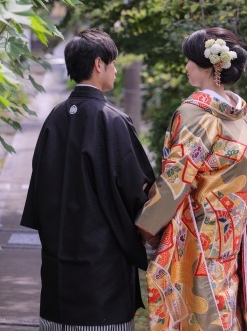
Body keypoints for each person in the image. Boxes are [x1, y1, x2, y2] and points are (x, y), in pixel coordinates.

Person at [135, 27, 247, 331]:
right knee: (223, 305)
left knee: (206, 309)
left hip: (201, 231)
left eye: (189, 61)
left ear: (211, 67)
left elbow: (177, 176)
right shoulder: (238, 114)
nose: (186, 67)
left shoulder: (196, 113)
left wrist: (147, 223)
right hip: (233, 232)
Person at [21, 28, 156, 331]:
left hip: (58, 258)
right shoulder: (113, 121)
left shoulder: (54, 118)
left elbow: (39, 190)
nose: (116, 70)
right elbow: (139, 192)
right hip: (102, 264)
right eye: (113, 63)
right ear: (99, 64)